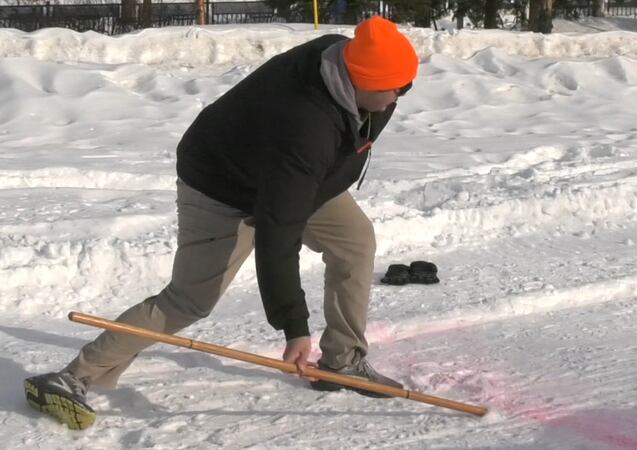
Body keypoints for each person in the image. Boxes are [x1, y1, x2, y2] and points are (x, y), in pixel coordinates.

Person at [23, 16, 419, 430]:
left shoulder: (356, 67)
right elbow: (277, 230)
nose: (398, 98)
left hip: (292, 177)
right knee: (190, 299)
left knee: (355, 240)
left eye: (405, 85)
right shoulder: (305, 125)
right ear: (357, 80)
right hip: (220, 183)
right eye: (393, 88)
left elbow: (299, 182)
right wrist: (293, 326)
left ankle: (344, 360)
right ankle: (71, 377)